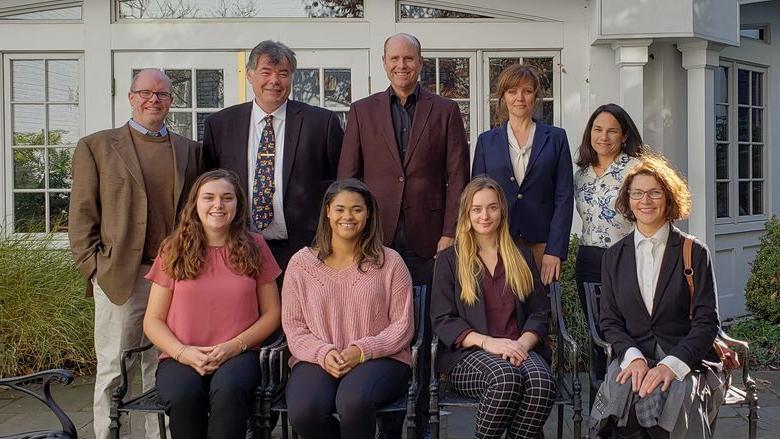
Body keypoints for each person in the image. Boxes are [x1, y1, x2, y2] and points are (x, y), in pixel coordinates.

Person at [68, 68, 201, 439]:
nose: (152, 99)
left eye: (161, 94)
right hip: (120, 276)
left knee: (162, 368)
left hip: (174, 278)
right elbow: (81, 214)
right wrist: (93, 268)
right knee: (114, 368)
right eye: (145, 92)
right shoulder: (97, 146)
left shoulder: (189, 150)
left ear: (171, 101)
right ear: (130, 97)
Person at [142, 169, 281, 438]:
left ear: (238, 204)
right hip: (180, 355)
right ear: (195, 204)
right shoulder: (173, 249)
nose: (218, 205)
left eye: (227, 198)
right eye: (209, 198)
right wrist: (183, 352)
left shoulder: (256, 246)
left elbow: (273, 313)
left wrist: (233, 346)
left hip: (239, 354)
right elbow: (152, 320)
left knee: (229, 391)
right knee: (182, 394)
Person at [592, 155, 724, 438]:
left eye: (655, 192)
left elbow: (706, 322)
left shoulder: (694, 252)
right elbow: (610, 321)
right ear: (628, 199)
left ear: (669, 197)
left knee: (676, 401)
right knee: (622, 404)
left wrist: (671, 365)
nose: (645, 200)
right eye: (637, 193)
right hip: (634, 353)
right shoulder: (614, 256)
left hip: (684, 356)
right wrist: (633, 357)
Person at [281, 179, 414, 439]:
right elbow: (294, 327)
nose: (348, 216)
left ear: (368, 214)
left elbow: (402, 326)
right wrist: (323, 352)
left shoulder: (390, 262)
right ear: (328, 211)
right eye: (340, 209)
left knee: (353, 402)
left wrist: (361, 351)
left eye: (357, 209)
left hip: (381, 359)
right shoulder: (301, 264)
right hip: (317, 358)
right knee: (304, 412)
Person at [338, 32, 469, 289]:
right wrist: (352, 231)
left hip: (430, 236)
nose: (401, 65)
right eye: (395, 58)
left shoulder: (446, 110)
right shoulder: (362, 111)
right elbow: (348, 180)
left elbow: (458, 177)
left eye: (408, 58)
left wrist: (450, 232)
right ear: (384, 62)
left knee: (429, 313)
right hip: (374, 232)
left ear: (420, 62)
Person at [431, 176, 555, 439]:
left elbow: (539, 312)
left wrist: (522, 343)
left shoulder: (520, 256)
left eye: (492, 207)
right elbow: (443, 319)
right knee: (506, 378)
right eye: (476, 209)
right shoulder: (449, 260)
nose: (484, 216)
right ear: (467, 213)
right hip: (467, 356)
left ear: (502, 210)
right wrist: (489, 343)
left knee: (542, 383)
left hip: (517, 347)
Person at [203, 40, 343, 270]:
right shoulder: (220, 125)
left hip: (308, 252)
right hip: (237, 250)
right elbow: (208, 188)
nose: (274, 81)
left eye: (283, 73)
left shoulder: (321, 123)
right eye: (265, 72)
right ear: (249, 75)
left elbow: (341, 186)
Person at [471, 63, 573, 286]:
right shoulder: (486, 141)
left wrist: (555, 249)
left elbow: (564, 197)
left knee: (540, 311)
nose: (520, 98)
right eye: (512, 91)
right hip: (497, 241)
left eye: (527, 91)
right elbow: (476, 197)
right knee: (500, 311)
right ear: (503, 97)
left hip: (541, 244)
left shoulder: (556, 138)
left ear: (535, 96)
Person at [573, 103, 645, 380]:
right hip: (589, 260)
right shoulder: (580, 174)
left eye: (612, 131)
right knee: (597, 333)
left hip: (628, 258)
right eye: (598, 129)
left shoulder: (636, 170)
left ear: (624, 135)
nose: (604, 137)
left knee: (627, 330)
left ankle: (629, 397)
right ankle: (600, 404)